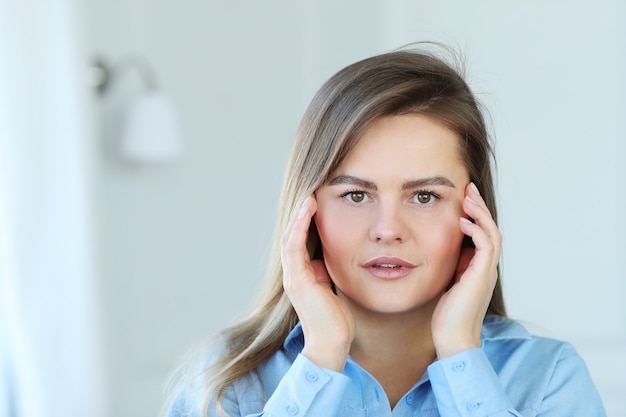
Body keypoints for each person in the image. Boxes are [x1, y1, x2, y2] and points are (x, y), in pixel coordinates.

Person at [163, 45, 606, 417]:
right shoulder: (224, 383)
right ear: (308, 212)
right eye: (357, 196)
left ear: (475, 215)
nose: (388, 230)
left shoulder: (550, 378)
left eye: (425, 196)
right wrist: (320, 359)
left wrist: (460, 352)